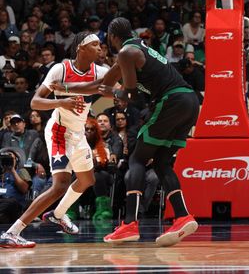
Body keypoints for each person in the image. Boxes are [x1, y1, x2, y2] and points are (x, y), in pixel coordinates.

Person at [55, 17, 201, 246]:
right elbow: (100, 83)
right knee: (162, 163)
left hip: (172, 99)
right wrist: (65, 87)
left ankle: (130, 223)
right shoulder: (134, 50)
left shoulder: (125, 52)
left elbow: (130, 95)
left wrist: (115, 93)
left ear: (113, 37)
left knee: (137, 158)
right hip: (190, 102)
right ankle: (183, 217)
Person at [0, 32, 106, 248]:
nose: (100, 48)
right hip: (59, 131)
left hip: (78, 133)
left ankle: (58, 214)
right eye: (95, 45)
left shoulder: (100, 71)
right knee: (60, 186)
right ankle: (13, 232)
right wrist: (61, 102)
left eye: (101, 45)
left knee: (88, 180)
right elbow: (35, 102)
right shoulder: (61, 69)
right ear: (81, 48)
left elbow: (118, 90)